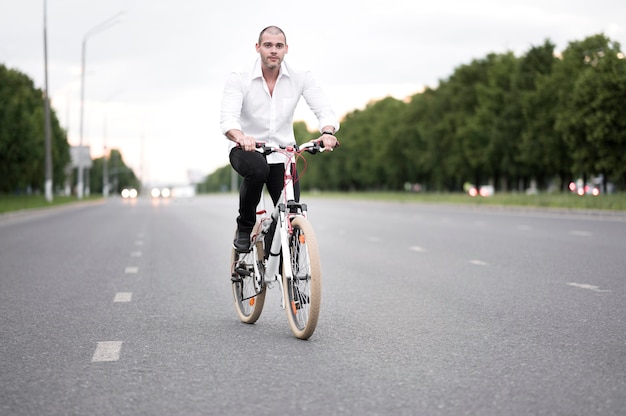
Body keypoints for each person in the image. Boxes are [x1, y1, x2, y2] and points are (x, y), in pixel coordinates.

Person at [220, 25, 340, 252]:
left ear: (286, 49)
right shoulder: (240, 76)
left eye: (278, 46)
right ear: (258, 48)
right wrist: (242, 137)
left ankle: (283, 262)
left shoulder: (301, 76)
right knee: (258, 169)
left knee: (290, 213)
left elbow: (324, 109)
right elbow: (228, 119)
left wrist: (327, 132)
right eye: (268, 45)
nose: (273, 50)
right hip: (246, 149)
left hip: (283, 154)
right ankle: (244, 228)